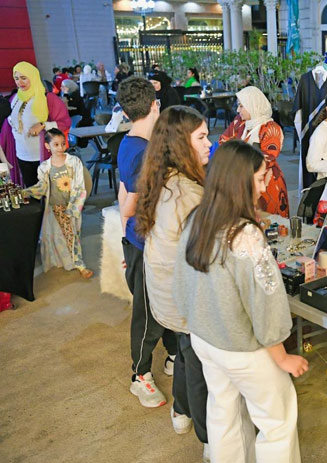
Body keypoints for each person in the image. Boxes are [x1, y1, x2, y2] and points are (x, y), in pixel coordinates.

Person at [173, 140, 308, 463]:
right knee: (277, 422)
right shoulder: (244, 234)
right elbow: (265, 302)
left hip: (205, 340)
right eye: (260, 179)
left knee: (224, 411)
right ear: (239, 181)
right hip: (241, 348)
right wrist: (281, 355)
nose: (264, 187)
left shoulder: (197, 218)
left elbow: (180, 280)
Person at [136, 105, 211, 455]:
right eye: (202, 137)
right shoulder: (188, 193)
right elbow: (205, 256)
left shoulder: (162, 178)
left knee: (185, 351)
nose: (209, 143)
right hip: (185, 297)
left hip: (167, 293)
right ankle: (209, 439)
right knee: (199, 366)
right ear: (182, 144)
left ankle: (181, 410)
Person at [116, 76, 178, 408]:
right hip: (144, 244)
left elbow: (121, 192)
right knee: (148, 313)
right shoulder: (142, 153)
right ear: (155, 105)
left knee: (165, 301)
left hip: (141, 241)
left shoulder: (128, 143)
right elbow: (128, 205)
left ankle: (174, 354)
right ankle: (139, 375)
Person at [24, 128, 92, 278]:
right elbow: (42, 187)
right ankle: (77, 264)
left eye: (63, 143)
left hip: (71, 205)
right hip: (55, 205)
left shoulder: (74, 162)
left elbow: (80, 185)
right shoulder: (44, 167)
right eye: (56, 144)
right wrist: (26, 192)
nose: (60, 147)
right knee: (66, 235)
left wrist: (73, 207)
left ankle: (74, 262)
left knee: (72, 234)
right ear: (47, 146)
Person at [219, 86, 289, 217]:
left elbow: (267, 159)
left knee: (268, 220)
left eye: (241, 106)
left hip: (266, 183)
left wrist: (235, 160)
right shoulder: (240, 122)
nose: (238, 110)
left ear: (253, 106)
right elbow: (223, 142)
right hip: (241, 180)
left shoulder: (271, 128)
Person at [0, 61, 71, 187]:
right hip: (21, 155)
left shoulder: (48, 98)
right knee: (31, 190)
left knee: (49, 192)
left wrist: (43, 125)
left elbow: (65, 123)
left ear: (33, 77)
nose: (19, 82)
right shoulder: (14, 98)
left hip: (43, 155)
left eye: (23, 78)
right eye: (16, 78)